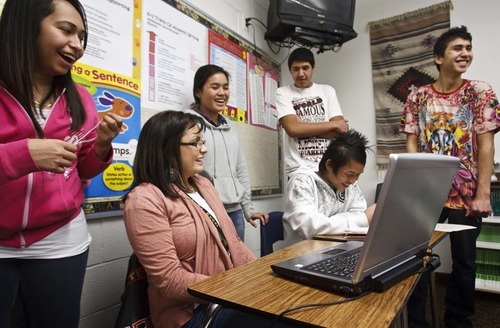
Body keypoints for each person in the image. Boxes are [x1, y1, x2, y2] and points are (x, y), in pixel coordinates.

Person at [0, 0, 122, 327]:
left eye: (82, 36)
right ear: (26, 25)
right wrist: (23, 154)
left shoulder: (79, 98)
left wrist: (101, 146)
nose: (77, 46)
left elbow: (82, 169)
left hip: (60, 237)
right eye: (66, 30)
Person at [123, 110, 297, 328]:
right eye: (195, 142)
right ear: (167, 149)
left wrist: (262, 278)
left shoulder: (203, 185)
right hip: (193, 314)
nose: (203, 149)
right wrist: (236, 288)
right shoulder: (144, 199)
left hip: (225, 297)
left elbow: (234, 243)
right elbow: (168, 280)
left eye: (202, 141)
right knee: (286, 317)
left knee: (292, 301)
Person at [399, 26, 500, 328]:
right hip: (425, 191)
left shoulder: (480, 91)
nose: (465, 53)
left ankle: (458, 320)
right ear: (438, 57)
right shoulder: (417, 96)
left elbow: (486, 144)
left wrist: (483, 193)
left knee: (465, 261)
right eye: (457, 48)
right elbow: (411, 142)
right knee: (415, 258)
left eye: (468, 47)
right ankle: (417, 321)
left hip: (465, 192)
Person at [186, 64, 268, 241]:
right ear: (198, 92)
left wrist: (248, 209)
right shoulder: (188, 124)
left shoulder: (230, 128)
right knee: (212, 267)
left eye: (225, 87)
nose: (222, 93)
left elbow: (241, 170)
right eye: (214, 87)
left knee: (237, 265)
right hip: (205, 210)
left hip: (235, 212)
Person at [283, 129, 376, 246]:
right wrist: (362, 219)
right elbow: (309, 228)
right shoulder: (302, 181)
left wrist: (327, 224)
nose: (353, 180)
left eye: (358, 175)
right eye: (349, 174)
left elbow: (358, 215)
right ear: (329, 165)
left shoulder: (350, 185)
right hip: (301, 256)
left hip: (337, 251)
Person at [275, 47, 350, 177]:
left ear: (313, 68)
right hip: (298, 170)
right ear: (290, 70)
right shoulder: (283, 93)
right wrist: (333, 124)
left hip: (328, 168)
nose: (301, 73)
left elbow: (339, 132)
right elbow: (292, 129)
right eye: (296, 69)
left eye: (305, 68)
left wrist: (302, 127)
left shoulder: (327, 91)